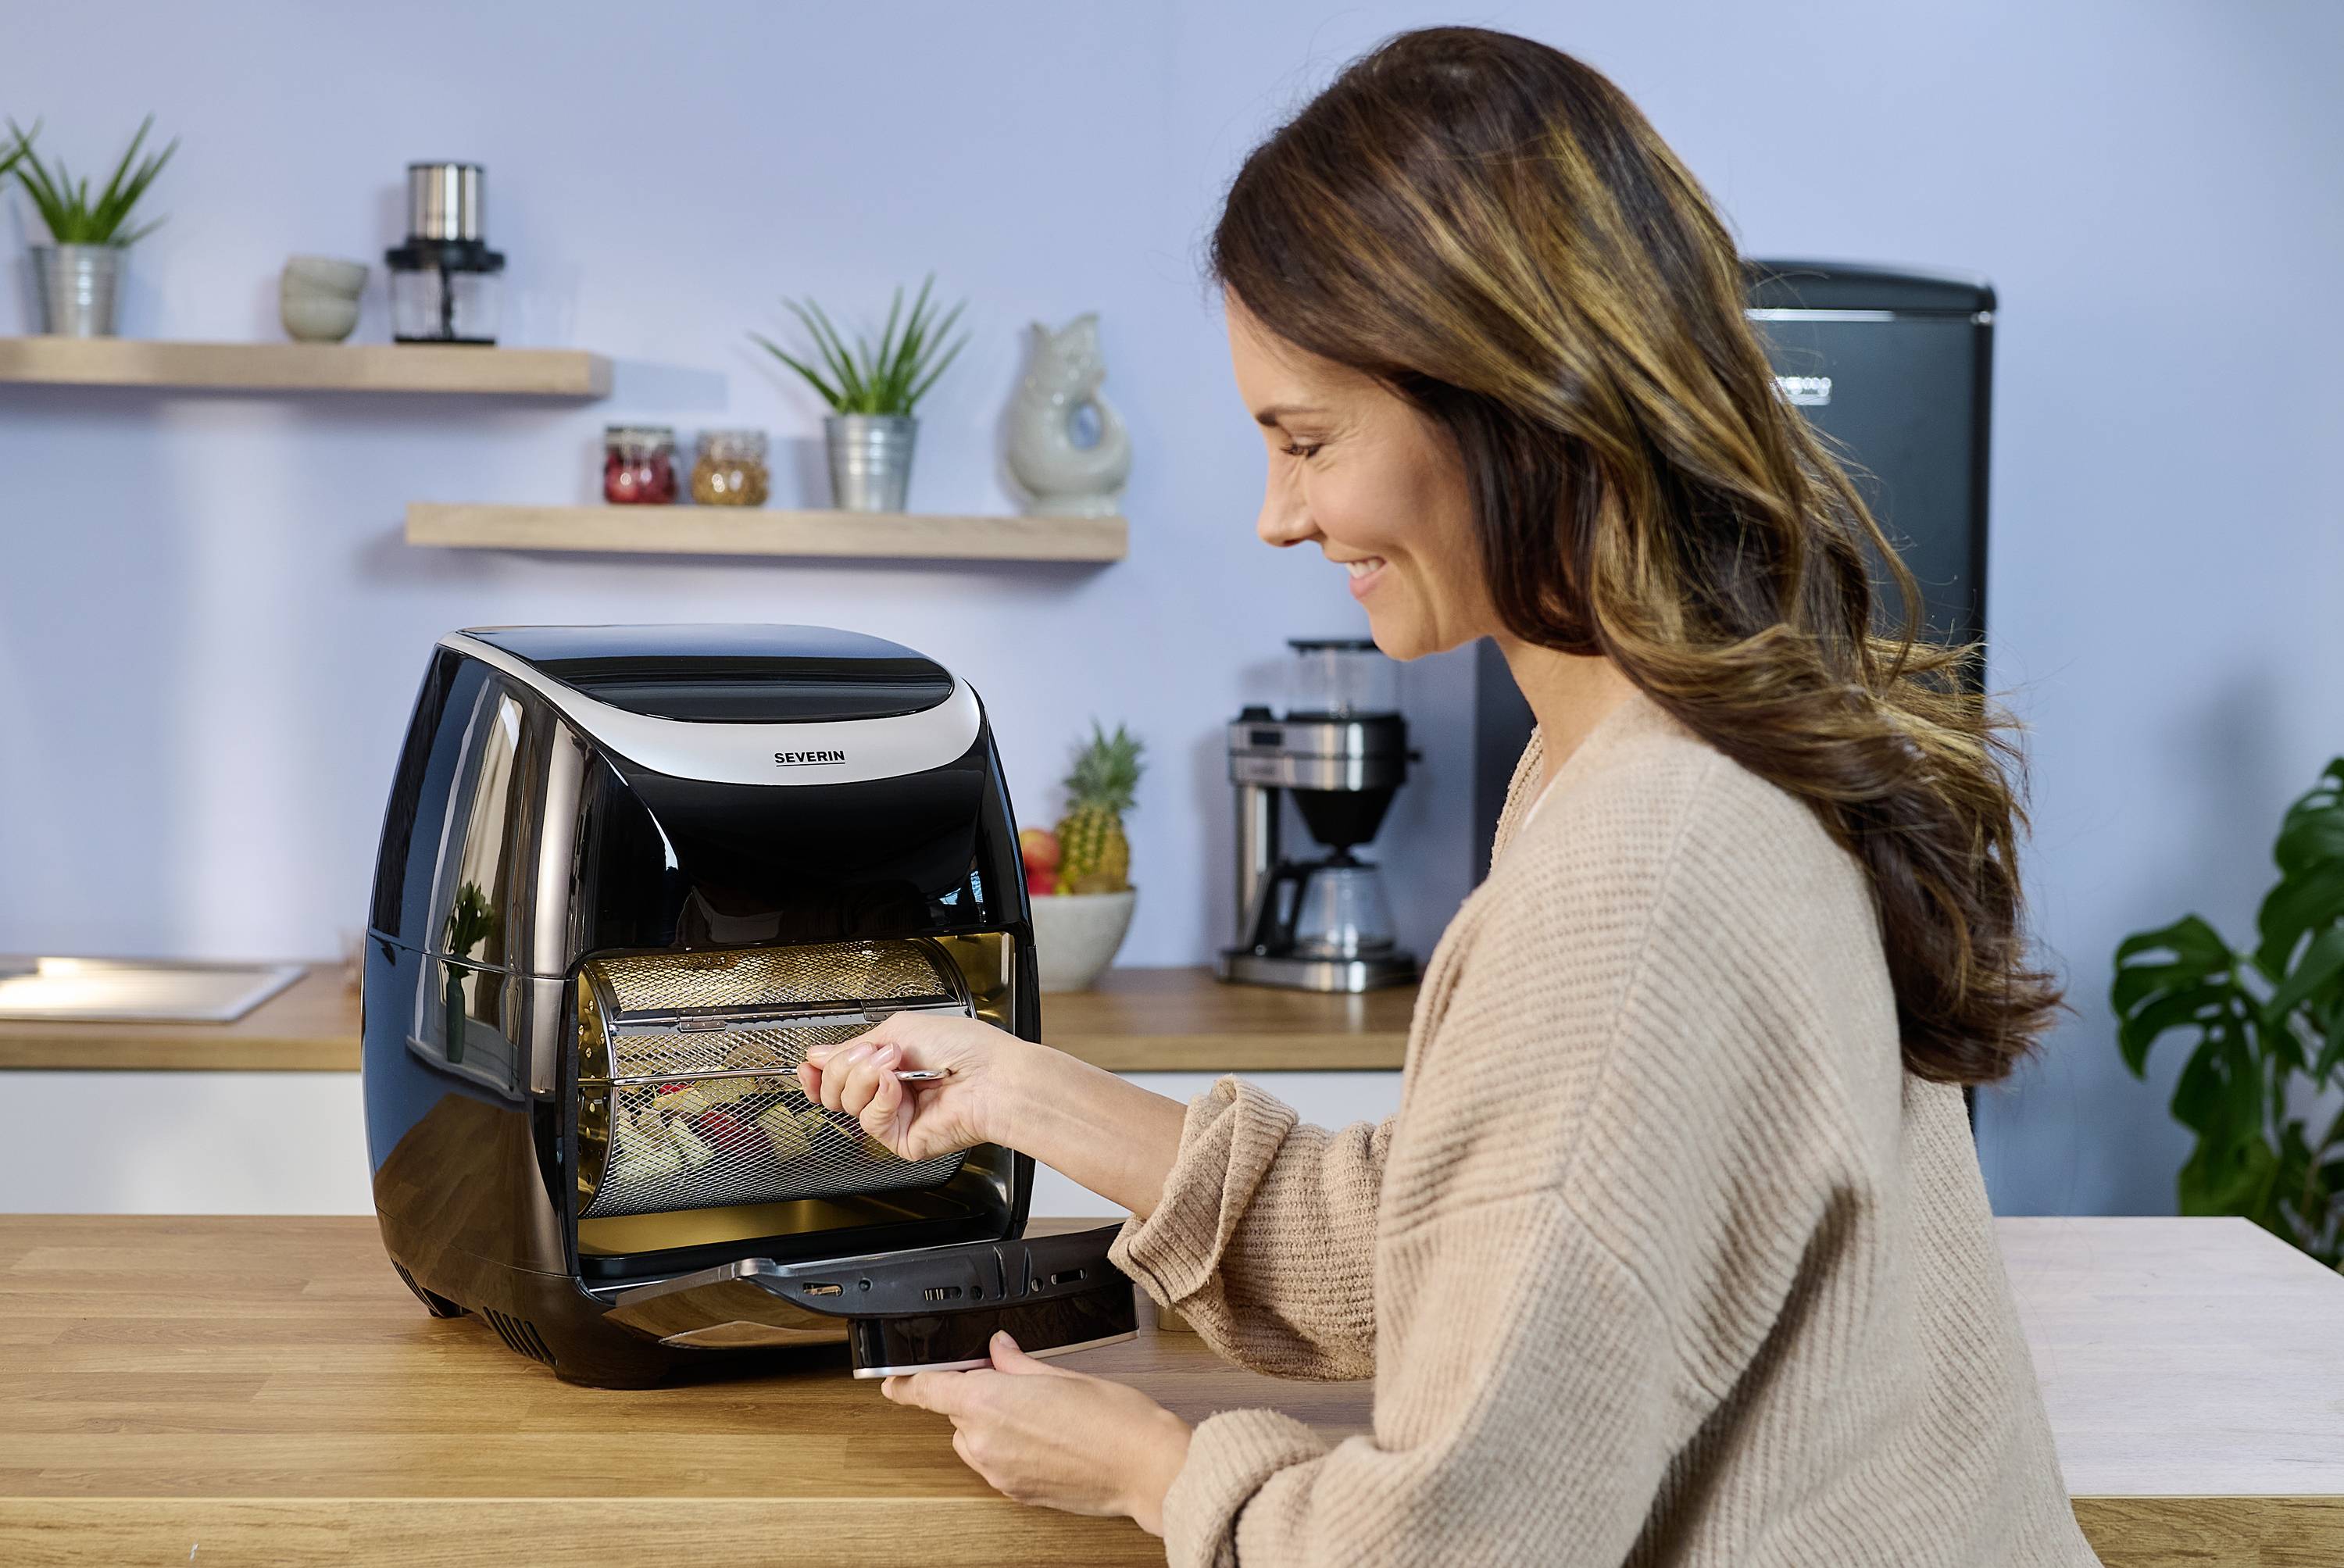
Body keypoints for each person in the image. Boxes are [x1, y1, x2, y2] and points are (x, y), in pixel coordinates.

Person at [798, 24, 2101, 1568]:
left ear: (1506, 400)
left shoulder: (1642, 866)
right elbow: (1476, 1238)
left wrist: (1154, 1465)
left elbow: (1463, 1545)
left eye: (1306, 439)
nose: (1281, 514)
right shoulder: (1645, 754)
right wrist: (1026, 1090)